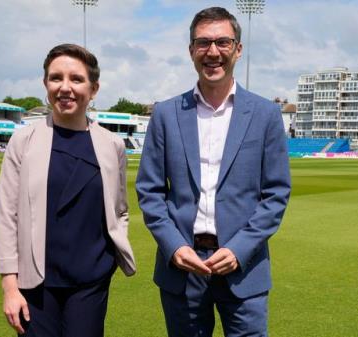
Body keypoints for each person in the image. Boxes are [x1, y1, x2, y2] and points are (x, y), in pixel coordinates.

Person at [136, 7, 291, 337]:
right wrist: (174, 246)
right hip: (182, 267)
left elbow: (276, 194)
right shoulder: (165, 114)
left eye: (223, 41)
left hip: (243, 267)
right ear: (191, 50)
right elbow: (149, 192)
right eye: (203, 42)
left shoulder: (265, 114)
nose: (213, 52)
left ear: (238, 49)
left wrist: (239, 250)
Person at [0, 43, 136, 337]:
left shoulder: (112, 145)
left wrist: (111, 254)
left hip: (91, 281)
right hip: (36, 283)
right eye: (56, 78)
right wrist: (10, 285)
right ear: (45, 84)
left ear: (94, 89)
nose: (65, 87)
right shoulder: (24, 141)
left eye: (76, 79)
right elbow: (7, 215)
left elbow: (119, 207)